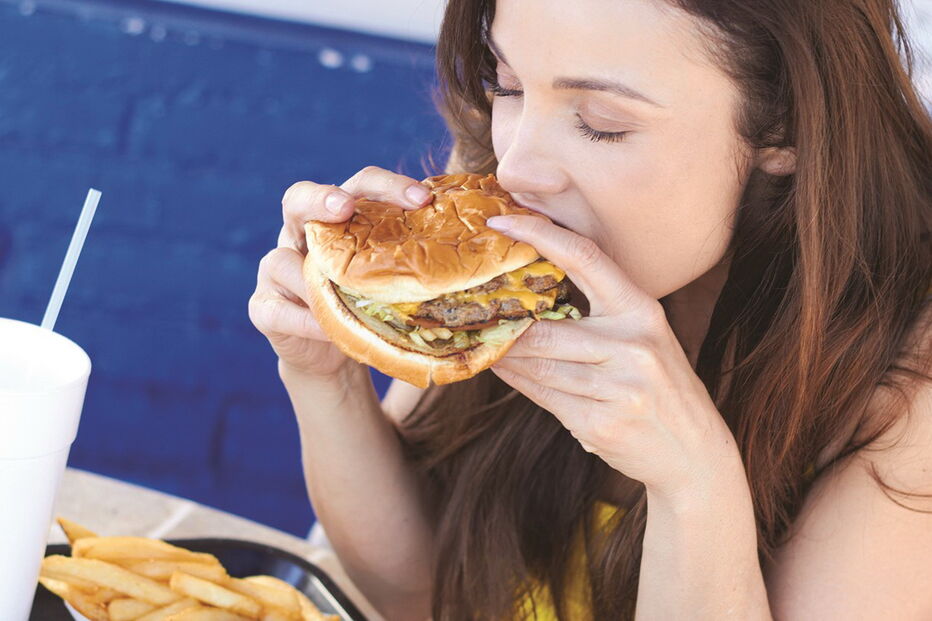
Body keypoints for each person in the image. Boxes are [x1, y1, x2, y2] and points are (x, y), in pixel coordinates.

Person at [249, 0, 932, 618]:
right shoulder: (505, 224)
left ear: (786, 125)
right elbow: (419, 592)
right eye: (508, 84)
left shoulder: (911, 396)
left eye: (600, 124)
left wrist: (693, 485)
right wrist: (325, 374)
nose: (514, 168)